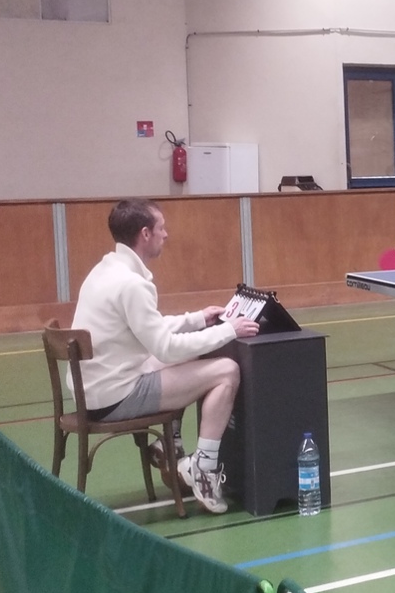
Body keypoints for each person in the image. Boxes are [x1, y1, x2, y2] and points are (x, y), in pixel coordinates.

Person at [70, 199, 260, 514]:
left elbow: (149, 328)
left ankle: (168, 442)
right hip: (114, 398)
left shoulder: (105, 270)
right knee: (226, 370)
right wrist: (229, 331)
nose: (166, 234)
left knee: (190, 359)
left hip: (94, 389)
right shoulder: (131, 284)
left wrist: (197, 319)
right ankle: (203, 469)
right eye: (161, 228)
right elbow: (166, 348)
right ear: (145, 234)